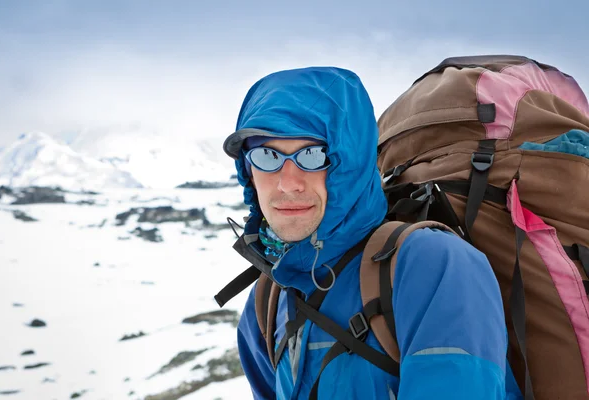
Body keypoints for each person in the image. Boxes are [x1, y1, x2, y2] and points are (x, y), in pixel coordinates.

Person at [220, 66, 517, 399]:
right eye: (266, 155)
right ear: (247, 169)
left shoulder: (433, 266)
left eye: (313, 155)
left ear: (350, 163)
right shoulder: (267, 302)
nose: (288, 183)